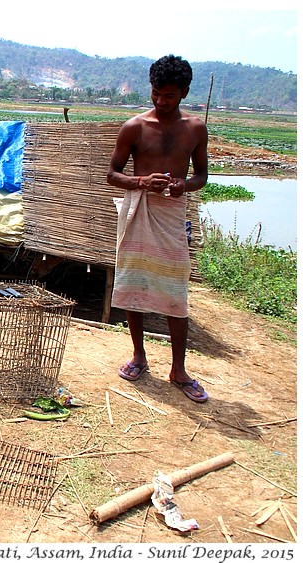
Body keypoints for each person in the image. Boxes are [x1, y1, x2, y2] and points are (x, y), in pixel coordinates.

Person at [106, 54, 209, 403]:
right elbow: (112, 174)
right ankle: (139, 356)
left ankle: (178, 369)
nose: (161, 101)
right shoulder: (134, 126)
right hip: (140, 210)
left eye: (169, 95)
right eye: (156, 93)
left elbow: (202, 176)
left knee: (175, 288)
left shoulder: (195, 128)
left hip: (171, 214)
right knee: (135, 281)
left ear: (183, 92)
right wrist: (140, 181)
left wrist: (185, 185)